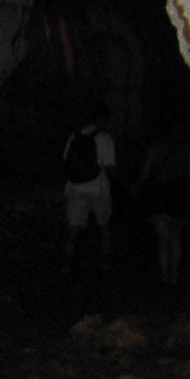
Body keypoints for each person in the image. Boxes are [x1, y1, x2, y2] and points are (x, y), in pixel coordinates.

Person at [140, 125, 190, 287]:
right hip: (179, 194)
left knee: (163, 238)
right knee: (176, 236)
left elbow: (146, 172)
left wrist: (142, 188)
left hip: (161, 193)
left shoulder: (155, 148)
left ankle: (164, 275)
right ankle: (174, 275)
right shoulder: (186, 150)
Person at [62, 101, 117, 273]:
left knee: (74, 227)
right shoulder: (104, 138)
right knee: (104, 225)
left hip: (75, 186)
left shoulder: (74, 136)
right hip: (98, 187)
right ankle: (105, 261)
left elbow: (66, 161)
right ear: (103, 119)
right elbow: (109, 166)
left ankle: (67, 263)